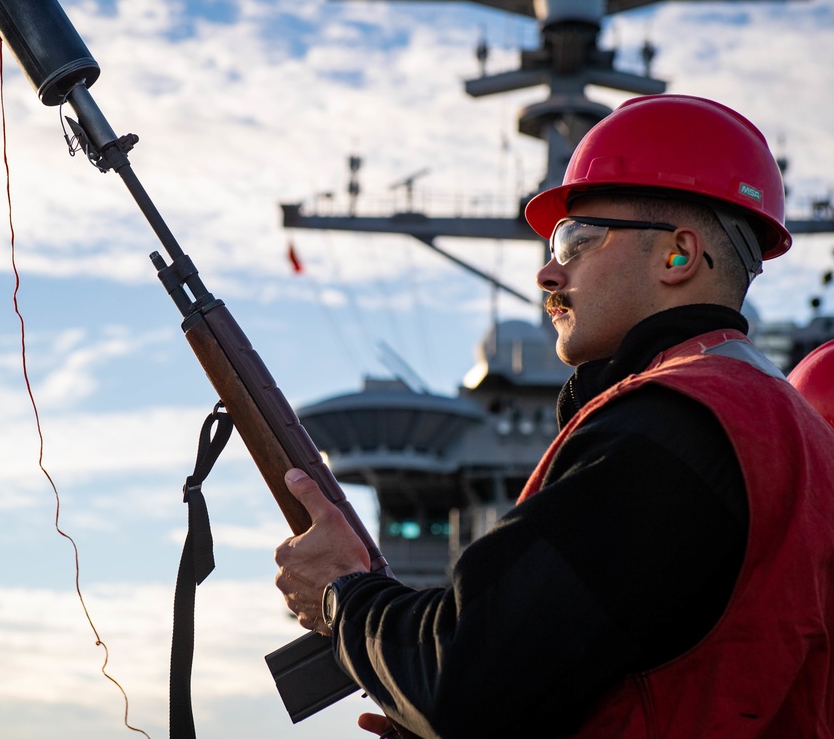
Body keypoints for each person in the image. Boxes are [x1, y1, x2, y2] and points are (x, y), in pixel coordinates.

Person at [274, 94, 834, 738]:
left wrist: (344, 595)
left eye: (576, 239)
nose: (547, 271)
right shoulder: (790, 427)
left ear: (678, 256)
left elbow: (468, 678)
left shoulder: (669, 425)